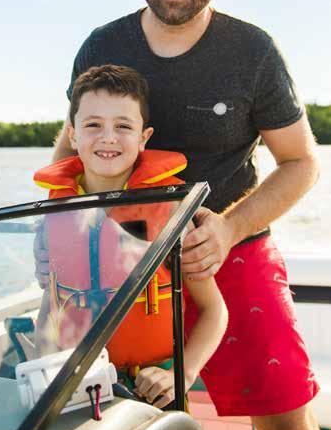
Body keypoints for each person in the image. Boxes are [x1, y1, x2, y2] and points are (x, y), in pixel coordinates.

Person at [35, 0, 322, 430]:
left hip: (230, 249)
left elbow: (301, 161)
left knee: (286, 416)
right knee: (112, 416)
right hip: (121, 259)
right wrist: (51, 234)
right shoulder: (102, 45)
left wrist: (228, 228)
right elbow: (73, 142)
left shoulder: (254, 51)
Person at [33, 64, 228, 409]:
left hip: (153, 391)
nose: (108, 137)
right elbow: (51, 305)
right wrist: (43, 374)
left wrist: (181, 375)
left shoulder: (169, 212)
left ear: (143, 138)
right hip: (76, 388)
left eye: (123, 126)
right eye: (93, 125)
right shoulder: (55, 212)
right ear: (72, 135)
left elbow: (215, 310)